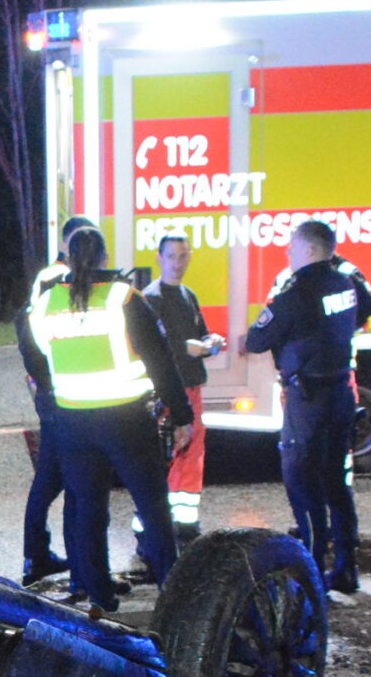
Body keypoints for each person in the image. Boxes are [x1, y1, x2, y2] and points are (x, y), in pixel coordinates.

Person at [16, 224, 193, 613]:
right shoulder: (123, 298)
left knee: (88, 508)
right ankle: (173, 591)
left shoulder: (47, 303)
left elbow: (33, 356)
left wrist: (56, 387)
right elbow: (160, 361)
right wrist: (182, 415)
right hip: (126, 419)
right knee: (152, 506)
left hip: (72, 422)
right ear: (104, 258)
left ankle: (99, 595)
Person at [243, 218, 371, 595]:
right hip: (340, 394)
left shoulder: (296, 293)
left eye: (292, 246)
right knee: (336, 483)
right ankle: (347, 569)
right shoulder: (344, 282)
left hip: (308, 400)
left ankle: (313, 574)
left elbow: (256, 339)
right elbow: (368, 307)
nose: (287, 252)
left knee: (303, 483)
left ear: (310, 250)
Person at [15, 214, 97, 582]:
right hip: (58, 393)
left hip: (58, 390)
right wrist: (45, 383)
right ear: (66, 243)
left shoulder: (62, 277)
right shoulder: (54, 278)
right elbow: (38, 336)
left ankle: (41, 556)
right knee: (55, 478)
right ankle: (46, 558)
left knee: (52, 477)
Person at [141, 233, 223, 548]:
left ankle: (185, 526)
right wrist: (195, 348)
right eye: (172, 256)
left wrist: (211, 341)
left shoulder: (188, 295)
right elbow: (163, 348)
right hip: (166, 390)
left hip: (192, 386)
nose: (178, 262)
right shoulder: (151, 298)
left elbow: (200, 334)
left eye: (183, 256)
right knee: (165, 457)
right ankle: (151, 530)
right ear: (159, 258)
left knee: (191, 457)